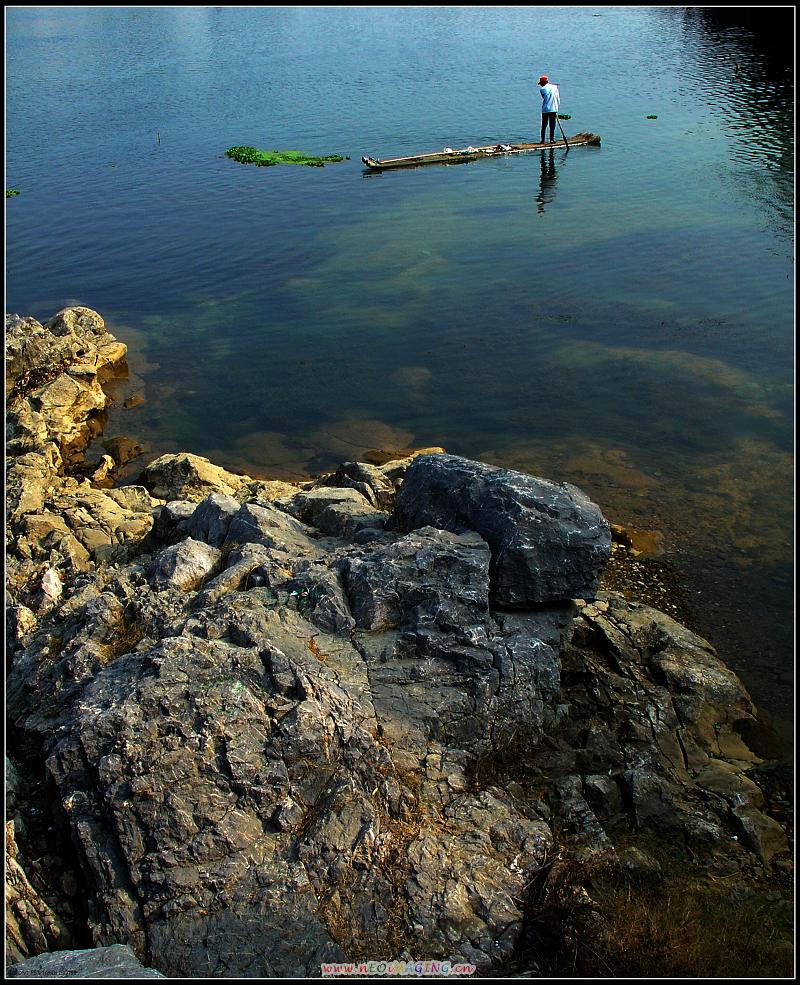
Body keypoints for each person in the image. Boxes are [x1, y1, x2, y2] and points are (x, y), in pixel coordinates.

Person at [538, 74, 560, 144]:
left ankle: (542, 140)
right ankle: (551, 140)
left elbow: (544, 97)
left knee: (544, 125)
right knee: (552, 125)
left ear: (543, 83)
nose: (540, 85)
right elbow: (557, 97)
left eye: (541, 83)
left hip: (545, 109)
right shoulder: (555, 87)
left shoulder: (542, 89)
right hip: (554, 108)